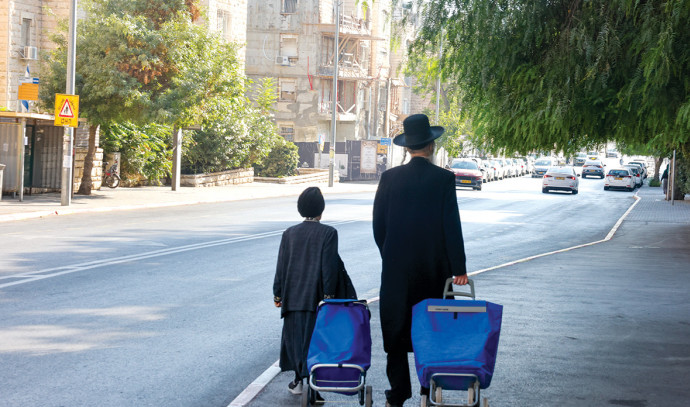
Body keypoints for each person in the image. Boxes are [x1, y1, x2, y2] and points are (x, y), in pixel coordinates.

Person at [372, 114, 469, 407]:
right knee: (430, 328)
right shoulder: (443, 179)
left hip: (396, 272)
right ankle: (428, 391)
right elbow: (451, 226)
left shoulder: (389, 178)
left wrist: (390, 254)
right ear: (430, 146)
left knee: (396, 330)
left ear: (407, 147)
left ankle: (398, 393)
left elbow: (379, 226)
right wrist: (458, 269)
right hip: (433, 270)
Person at [273, 187, 340, 398]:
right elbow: (329, 268)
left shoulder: (289, 233)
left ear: (300, 208)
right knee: (314, 342)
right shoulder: (329, 233)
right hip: (316, 298)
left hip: (292, 298)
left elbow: (281, 266)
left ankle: (297, 380)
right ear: (322, 210)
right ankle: (315, 387)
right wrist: (329, 297)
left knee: (295, 340)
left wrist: (278, 294)